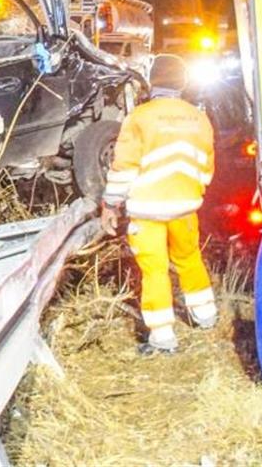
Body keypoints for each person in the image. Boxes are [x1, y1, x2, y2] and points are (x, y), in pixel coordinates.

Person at [101, 53, 218, 354]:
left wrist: (110, 204)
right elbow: (206, 165)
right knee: (189, 259)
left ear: (152, 81)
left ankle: (163, 337)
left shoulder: (140, 117)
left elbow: (124, 166)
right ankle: (206, 316)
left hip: (148, 210)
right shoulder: (198, 117)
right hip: (186, 206)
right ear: (182, 82)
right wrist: (194, 190)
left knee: (154, 271)